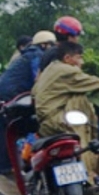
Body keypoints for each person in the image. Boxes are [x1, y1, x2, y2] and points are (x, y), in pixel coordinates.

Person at [31, 41, 99, 185]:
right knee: (80, 98)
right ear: (67, 58)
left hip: (44, 123)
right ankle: (89, 173)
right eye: (79, 57)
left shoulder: (49, 69)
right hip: (58, 121)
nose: (82, 62)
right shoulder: (66, 71)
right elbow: (97, 83)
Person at [0, 31, 57, 175]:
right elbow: (38, 80)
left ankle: (10, 167)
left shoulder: (26, 55)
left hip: (9, 98)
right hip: (12, 98)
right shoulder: (36, 55)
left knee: (8, 133)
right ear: (44, 44)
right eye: (51, 45)